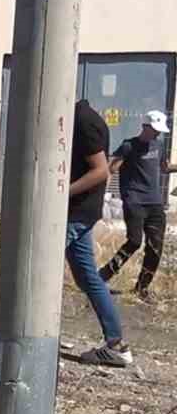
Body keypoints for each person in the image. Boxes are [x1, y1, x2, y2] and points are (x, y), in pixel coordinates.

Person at [65, 99, 131, 367]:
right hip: (79, 212)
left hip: (75, 213)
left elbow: (101, 171)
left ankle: (20, 336)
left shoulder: (84, 121)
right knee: (88, 278)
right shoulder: (78, 118)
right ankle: (116, 344)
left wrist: (60, 193)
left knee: (35, 267)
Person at [100, 110, 173, 300]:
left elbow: (165, 167)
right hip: (135, 201)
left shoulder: (159, 145)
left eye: (159, 131)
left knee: (155, 246)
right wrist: (102, 194)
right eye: (154, 130)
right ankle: (103, 276)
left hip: (155, 203)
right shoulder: (128, 146)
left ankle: (142, 288)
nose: (157, 134)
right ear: (145, 126)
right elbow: (111, 169)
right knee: (134, 241)